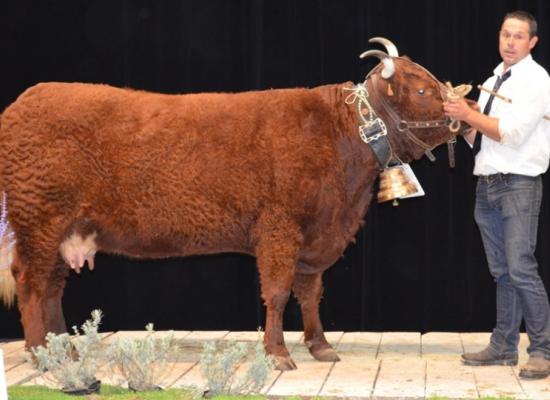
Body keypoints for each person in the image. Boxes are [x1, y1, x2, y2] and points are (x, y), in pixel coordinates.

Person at [444, 10, 550, 379]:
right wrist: (462, 123)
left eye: (519, 36)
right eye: (506, 34)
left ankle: (542, 350)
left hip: (518, 184)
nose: (510, 41)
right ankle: (504, 346)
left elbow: (513, 134)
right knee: (503, 273)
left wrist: (468, 115)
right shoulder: (494, 78)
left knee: (520, 268)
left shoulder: (536, 79)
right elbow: (482, 138)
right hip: (488, 183)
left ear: (532, 42)